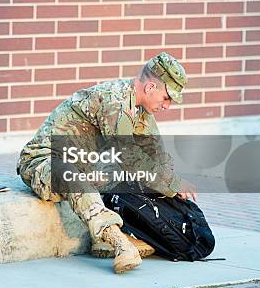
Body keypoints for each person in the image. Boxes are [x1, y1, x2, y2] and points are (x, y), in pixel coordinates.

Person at [17, 52, 197, 274]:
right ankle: (119, 243)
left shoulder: (141, 112)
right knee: (75, 176)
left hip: (83, 163)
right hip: (44, 161)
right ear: (150, 87)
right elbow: (130, 158)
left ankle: (110, 241)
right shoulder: (115, 101)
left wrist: (175, 187)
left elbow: (157, 156)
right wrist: (171, 183)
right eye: (166, 97)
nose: (167, 106)